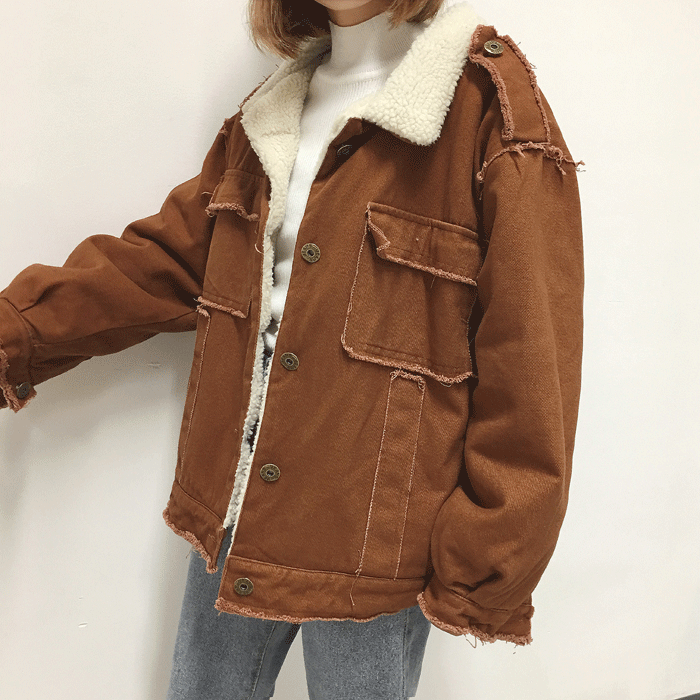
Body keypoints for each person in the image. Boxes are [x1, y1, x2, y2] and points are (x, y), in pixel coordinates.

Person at [0, 0, 585, 697]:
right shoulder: (269, 116)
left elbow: (532, 349)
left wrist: (489, 551)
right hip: (234, 506)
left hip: (375, 543)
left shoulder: (487, 108)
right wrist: (15, 330)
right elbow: (161, 262)